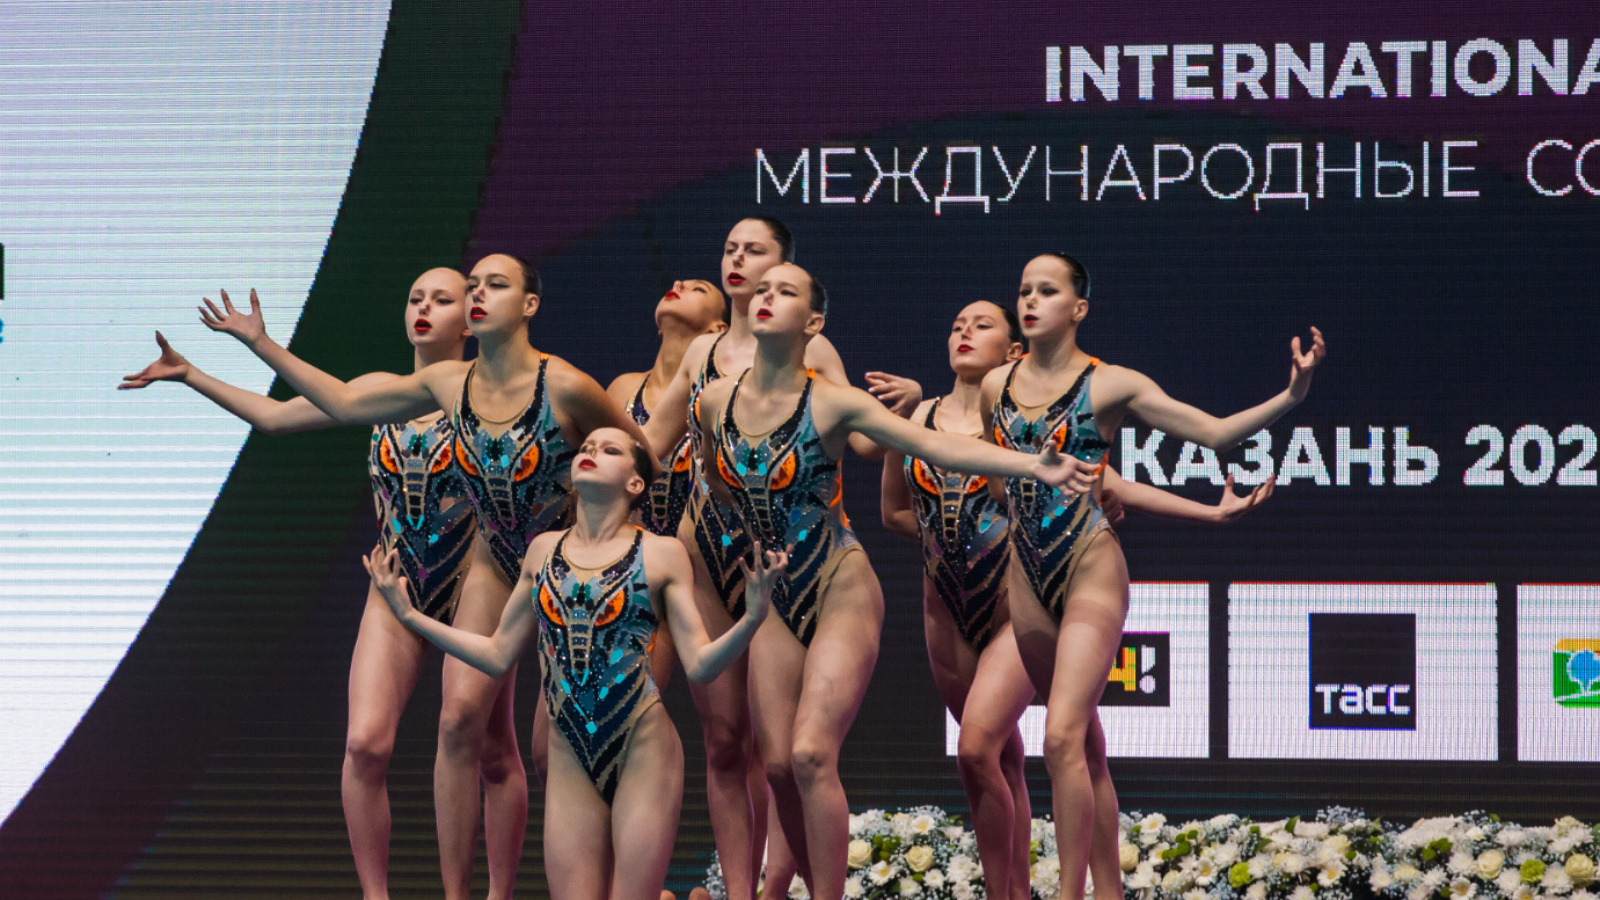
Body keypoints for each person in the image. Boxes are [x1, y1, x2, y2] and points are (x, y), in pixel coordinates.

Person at [194, 254, 654, 900]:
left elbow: (637, 457)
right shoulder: (434, 385)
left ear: (522, 307)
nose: (462, 298)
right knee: (424, 730)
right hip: (445, 577)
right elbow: (319, 406)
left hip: (523, 570)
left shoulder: (558, 386)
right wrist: (246, 348)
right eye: (463, 287)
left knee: (524, 746)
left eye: (483, 288)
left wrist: (612, 548)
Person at [692, 261, 1096, 900]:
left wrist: (1030, 466)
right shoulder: (714, 402)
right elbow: (714, 484)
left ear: (814, 323)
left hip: (837, 585)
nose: (766, 295)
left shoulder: (833, 400)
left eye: (785, 291)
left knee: (810, 754)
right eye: (762, 289)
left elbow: (936, 447)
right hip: (773, 596)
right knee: (777, 767)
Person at [878, 299, 1275, 900]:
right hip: (947, 608)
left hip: (1019, 599)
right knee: (1017, 759)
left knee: (983, 746)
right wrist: (954, 537)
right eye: (956, 324)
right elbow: (894, 513)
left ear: (1013, 352)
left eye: (981, 325)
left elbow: (1109, 482)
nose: (963, 332)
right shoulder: (917, 419)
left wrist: (1208, 513)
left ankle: (1089, 888)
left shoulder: (1022, 420)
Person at [120, 268, 478, 900]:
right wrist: (191, 374)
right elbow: (276, 416)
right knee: (364, 745)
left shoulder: (486, 394)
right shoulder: (378, 390)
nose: (423, 307)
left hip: (474, 586)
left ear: (470, 318)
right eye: (414, 297)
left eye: (441, 299)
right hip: (393, 587)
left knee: (480, 744)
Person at [979, 253, 1323, 900]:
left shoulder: (1110, 385)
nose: (1030, 301)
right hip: (1026, 574)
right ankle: (1108, 889)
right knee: (1085, 747)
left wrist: (1292, 396)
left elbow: (1215, 434)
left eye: (1047, 291)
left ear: (1078, 308)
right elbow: (1001, 485)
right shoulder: (996, 386)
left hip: (1089, 566)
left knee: (1060, 738)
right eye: (1024, 290)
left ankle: (1071, 894)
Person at [365, 427, 786, 900]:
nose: (591, 452)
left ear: (635, 483)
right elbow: (498, 652)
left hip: (642, 749)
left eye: (610, 450)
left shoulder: (661, 554)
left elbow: (701, 665)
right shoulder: (542, 551)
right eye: (586, 447)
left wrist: (752, 618)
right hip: (570, 755)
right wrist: (409, 616)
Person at [641, 218, 919, 900]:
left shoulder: (810, 349)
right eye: (730, 249)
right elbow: (650, 444)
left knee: (789, 752)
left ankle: (779, 884)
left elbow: (863, 441)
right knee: (724, 740)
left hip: (789, 559)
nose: (740, 260)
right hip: (707, 554)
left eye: (756, 251)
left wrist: (904, 415)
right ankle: (740, 891)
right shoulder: (702, 355)